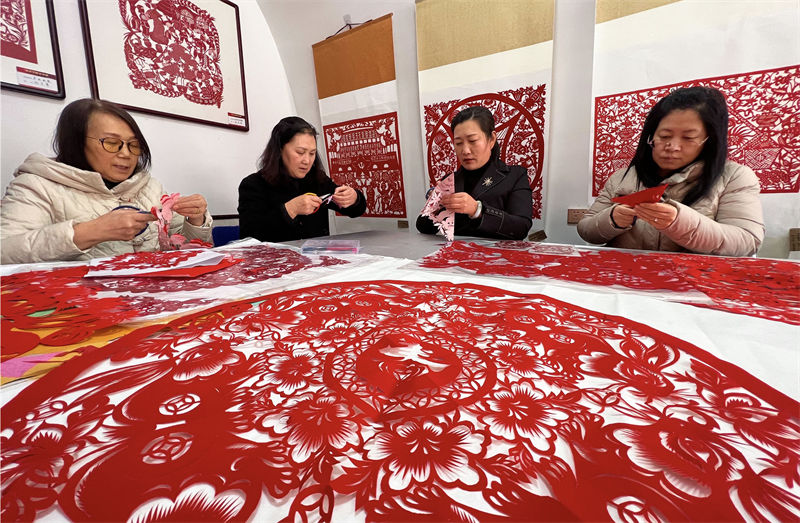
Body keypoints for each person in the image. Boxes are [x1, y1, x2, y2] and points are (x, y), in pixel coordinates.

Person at [1, 98, 212, 264]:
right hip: (79, 307)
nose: (126, 154)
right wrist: (89, 232)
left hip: (152, 298)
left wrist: (196, 220)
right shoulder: (37, 185)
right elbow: (5, 252)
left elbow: (185, 251)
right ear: (76, 142)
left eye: (134, 145)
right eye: (112, 143)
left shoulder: (150, 187)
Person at [578, 86, 764, 256]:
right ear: (650, 136)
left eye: (689, 138)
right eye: (664, 136)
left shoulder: (735, 176)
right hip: (625, 280)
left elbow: (747, 241)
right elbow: (586, 229)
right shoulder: (622, 177)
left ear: (710, 141)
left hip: (692, 285)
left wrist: (679, 222)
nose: (672, 146)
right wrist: (612, 219)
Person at [238, 116, 366, 242]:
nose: (307, 161)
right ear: (280, 149)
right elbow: (249, 235)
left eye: (312, 153)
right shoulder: (253, 185)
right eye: (300, 152)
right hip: (275, 260)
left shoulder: (318, 180)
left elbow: (355, 210)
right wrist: (290, 209)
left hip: (316, 258)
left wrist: (354, 198)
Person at [416, 106, 532, 240]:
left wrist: (477, 210)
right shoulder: (450, 179)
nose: (465, 150)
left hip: (497, 257)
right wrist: (436, 202)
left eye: (472, 141)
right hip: (455, 258)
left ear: (492, 139)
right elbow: (423, 227)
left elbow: (521, 228)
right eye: (458, 143)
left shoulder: (515, 175)